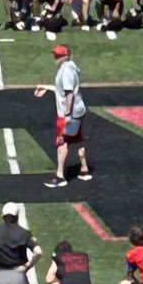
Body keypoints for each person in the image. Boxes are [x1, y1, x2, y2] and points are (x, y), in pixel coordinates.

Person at [34, 44, 88, 188]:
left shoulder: (66, 72)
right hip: (77, 110)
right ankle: (84, 170)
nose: (55, 58)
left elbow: (69, 93)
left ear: (65, 56)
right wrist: (46, 87)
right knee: (77, 139)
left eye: (57, 56)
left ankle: (60, 177)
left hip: (68, 113)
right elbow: (62, 90)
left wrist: (67, 115)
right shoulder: (70, 67)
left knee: (62, 142)